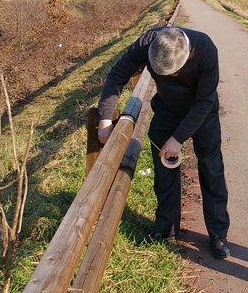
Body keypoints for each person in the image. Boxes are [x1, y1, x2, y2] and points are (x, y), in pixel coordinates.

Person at [97, 26, 231, 259]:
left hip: (203, 112)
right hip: (167, 111)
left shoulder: (206, 49)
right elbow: (117, 75)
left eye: (174, 75)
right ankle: (166, 229)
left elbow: (204, 101)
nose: (169, 79)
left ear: (187, 56)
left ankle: (218, 234)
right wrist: (105, 119)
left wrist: (178, 139)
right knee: (164, 169)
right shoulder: (146, 43)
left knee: (212, 169)